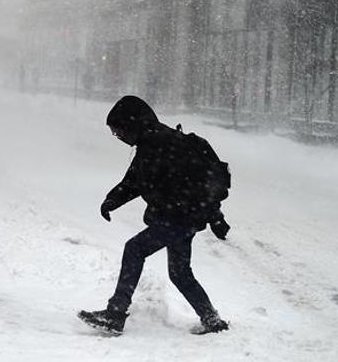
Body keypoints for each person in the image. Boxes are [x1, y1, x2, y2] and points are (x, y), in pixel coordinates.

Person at [78, 95, 231, 335]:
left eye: (119, 131)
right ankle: (212, 320)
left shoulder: (161, 145)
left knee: (134, 249)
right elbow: (134, 181)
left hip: (178, 218)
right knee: (180, 273)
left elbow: (194, 182)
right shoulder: (152, 142)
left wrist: (216, 216)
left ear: (133, 124)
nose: (118, 137)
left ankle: (115, 314)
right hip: (183, 218)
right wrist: (112, 200)